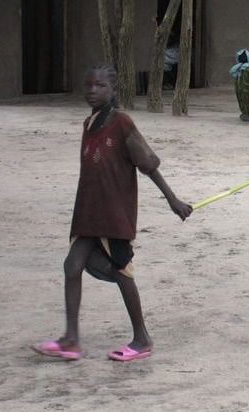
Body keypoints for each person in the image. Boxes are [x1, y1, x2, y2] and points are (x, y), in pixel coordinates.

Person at [33, 64, 192, 361]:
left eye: (100, 86)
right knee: (72, 266)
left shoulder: (122, 124)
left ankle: (142, 338)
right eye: (88, 85)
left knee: (122, 272)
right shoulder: (88, 123)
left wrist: (173, 200)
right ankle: (70, 339)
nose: (92, 91)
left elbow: (148, 165)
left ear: (113, 90)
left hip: (114, 213)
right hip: (89, 212)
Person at [230, 49, 249, 122]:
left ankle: (247, 113)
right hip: (244, 90)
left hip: (244, 90)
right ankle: (247, 113)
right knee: (245, 100)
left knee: (245, 100)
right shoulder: (243, 68)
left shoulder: (242, 69)